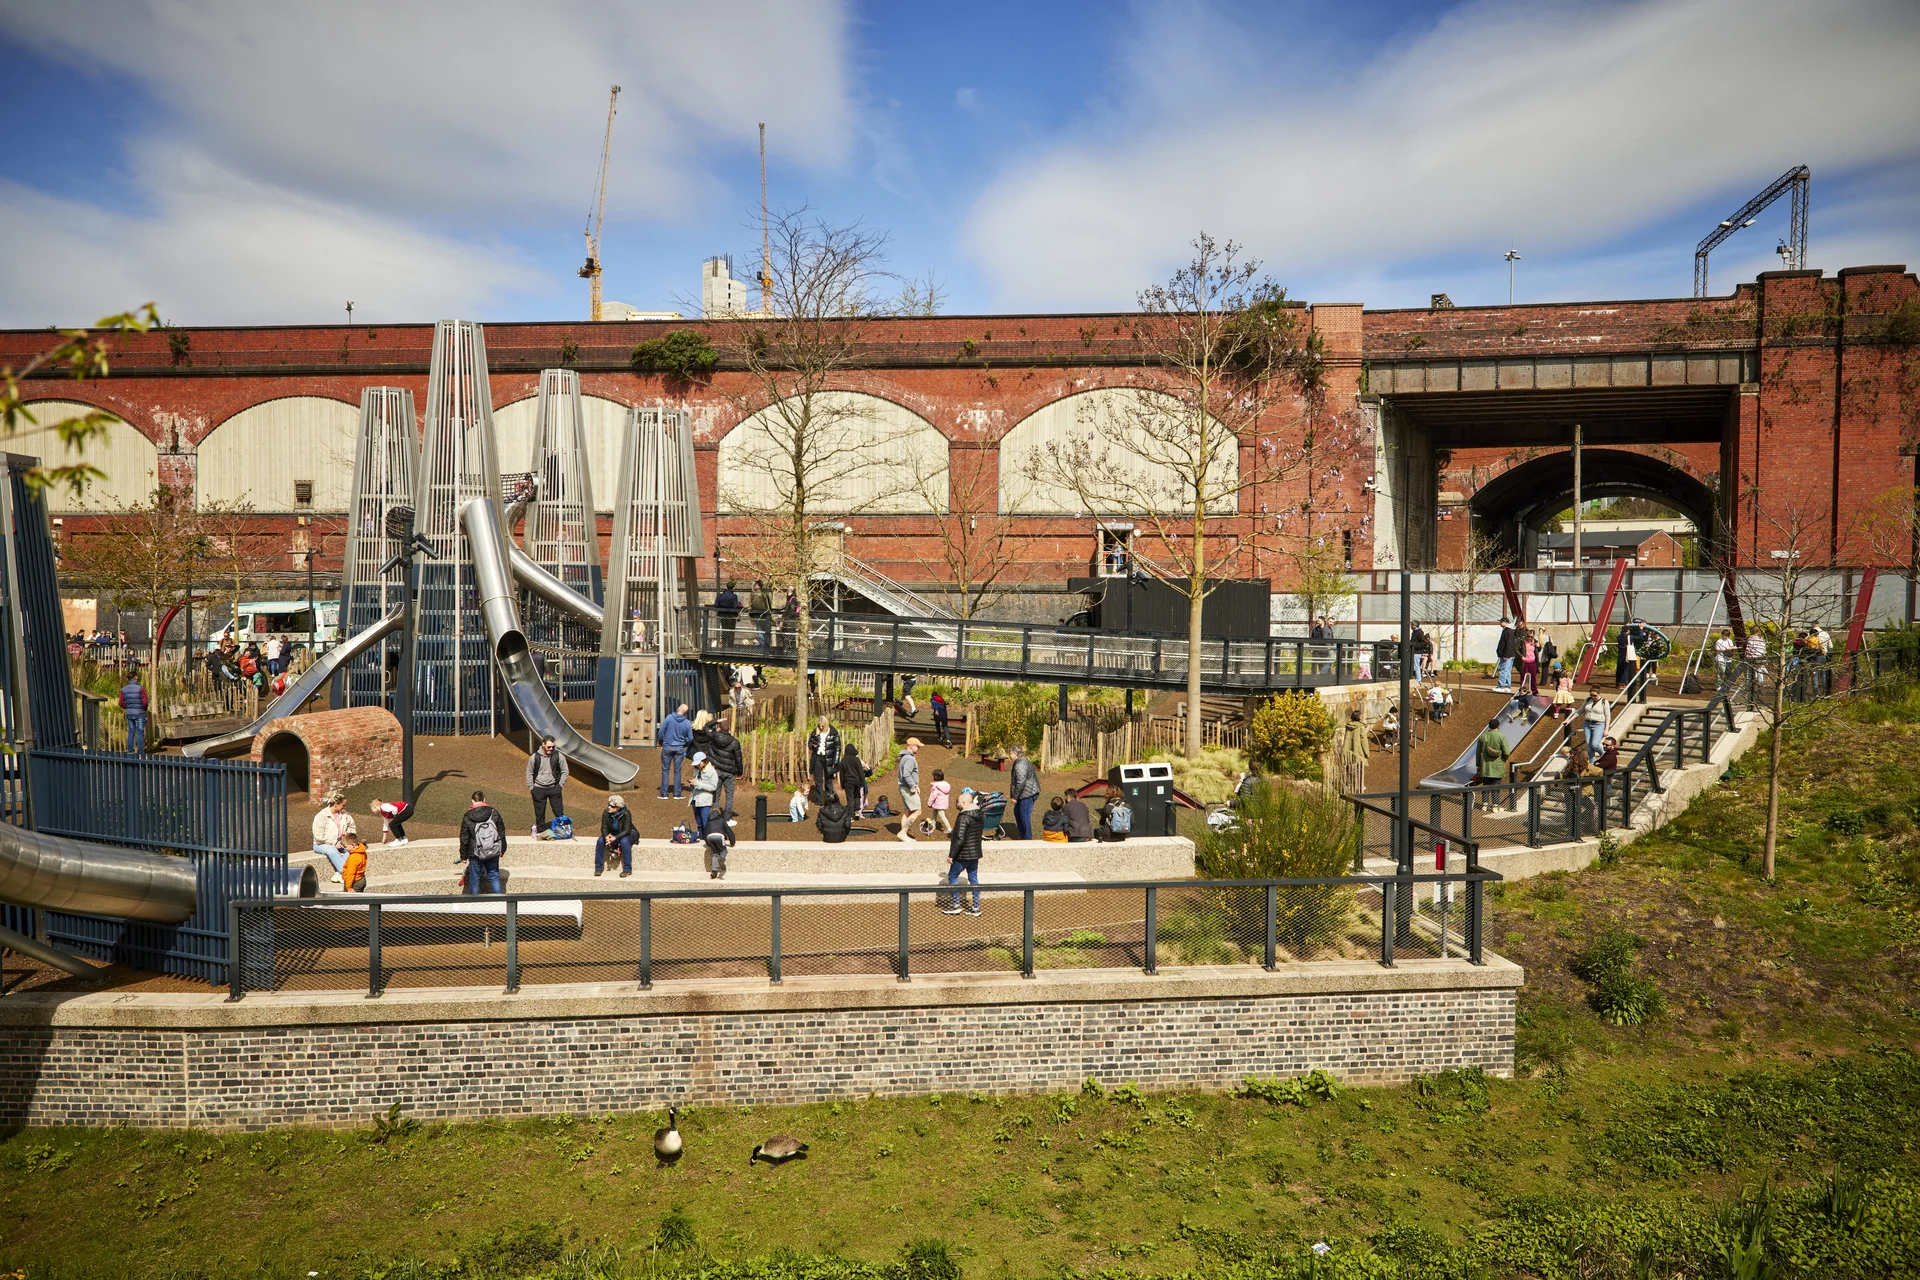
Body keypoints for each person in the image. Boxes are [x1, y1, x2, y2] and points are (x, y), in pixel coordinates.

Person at [943, 788, 984, 916]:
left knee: (952, 876)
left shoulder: (963, 817)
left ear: (964, 803)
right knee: (973, 878)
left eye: (958, 801)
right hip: (975, 853)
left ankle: (956, 904)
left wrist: (951, 855)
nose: (956, 803)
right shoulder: (979, 815)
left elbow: (960, 838)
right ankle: (976, 906)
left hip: (963, 854)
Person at [460, 791, 508, 894]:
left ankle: (476, 905)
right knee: (494, 877)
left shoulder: (468, 816)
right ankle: (500, 903)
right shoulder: (494, 813)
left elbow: (464, 838)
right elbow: (501, 832)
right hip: (493, 849)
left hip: (475, 852)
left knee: (475, 879)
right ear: (484, 800)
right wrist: (502, 848)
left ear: (472, 801)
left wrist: (463, 856)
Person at [525, 735, 569, 839]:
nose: (551, 749)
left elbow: (565, 771)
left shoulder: (558, 756)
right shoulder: (534, 757)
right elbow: (529, 773)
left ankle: (563, 830)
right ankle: (540, 832)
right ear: (543, 744)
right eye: (549, 747)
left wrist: (560, 785)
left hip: (554, 788)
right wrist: (532, 788)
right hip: (538, 788)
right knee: (539, 813)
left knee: (559, 811)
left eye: (553, 747)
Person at [311, 794, 356, 884]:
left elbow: (352, 826)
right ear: (336, 804)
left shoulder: (345, 814)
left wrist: (348, 834)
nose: (344, 807)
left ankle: (339, 874)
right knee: (332, 851)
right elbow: (318, 835)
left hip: (341, 842)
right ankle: (345, 873)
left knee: (352, 849)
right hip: (322, 843)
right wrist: (334, 842)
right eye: (343, 805)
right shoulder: (321, 816)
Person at [707, 717, 743, 819]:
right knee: (729, 796)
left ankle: (714, 817)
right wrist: (739, 772)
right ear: (729, 728)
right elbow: (738, 759)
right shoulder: (735, 742)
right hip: (729, 772)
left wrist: (716, 721)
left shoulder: (714, 737)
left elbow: (706, 727)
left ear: (720, 728)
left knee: (716, 795)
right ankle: (727, 818)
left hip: (716, 769)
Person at [1473, 718, 1511, 813]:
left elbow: (1478, 753)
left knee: (1486, 785)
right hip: (1497, 766)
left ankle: (1484, 805)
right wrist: (1504, 758)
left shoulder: (1483, 737)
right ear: (1498, 726)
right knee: (1496, 786)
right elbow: (1507, 752)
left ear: (1489, 726)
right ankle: (1495, 806)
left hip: (1485, 766)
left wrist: (1478, 765)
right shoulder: (1501, 737)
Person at [658, 702, 693, 799]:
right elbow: (690, 738)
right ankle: (677, 793)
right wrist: (683, 744)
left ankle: (664, 793)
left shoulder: (669, 718)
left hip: (667, 746)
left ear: (678, 709)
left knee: (665, 770)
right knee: (677, 771)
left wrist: (661, 742)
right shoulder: (687, 723)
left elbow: (661, 732)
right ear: (685, 713)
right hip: (679, 748)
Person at [595, 794, 636, 877]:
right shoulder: (606, 812)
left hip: (626, 834)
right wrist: (606, 836)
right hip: (612, 834)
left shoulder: (626, 813)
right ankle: (598, 867)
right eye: (609, 805)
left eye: (612, 806)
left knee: (624, 842)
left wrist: (615, 838)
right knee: (600, 841)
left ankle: (627, 869)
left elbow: (627, 830)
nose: (609, 807)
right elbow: (604, 827)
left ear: (618, 808)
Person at [1335, 706, 1370, 795]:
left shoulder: (1348, 726)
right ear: (1358, 717)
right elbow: (1363, 740)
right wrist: (1367, 752)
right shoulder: (1361, 727)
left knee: (1349, 766)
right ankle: (1359, 785)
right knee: (1358, 767)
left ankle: (1350, 783)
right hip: (1357, 750)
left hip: (1347, 749)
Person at [1009, 744, 1040, 840]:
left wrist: (1015, 796)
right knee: (1017, 812)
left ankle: (1027, 838)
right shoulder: (1020, 762)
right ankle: (1023, 835)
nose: (1009, 755)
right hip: (1025, 792)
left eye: (1010, 753)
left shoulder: (1021, 764)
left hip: (1028, 793)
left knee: (1024, 816)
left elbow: (1021, 782)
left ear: (1016, 754)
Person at [807, 718, 841, 803]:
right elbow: (810, 743)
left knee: (828, 780)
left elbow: (837, 748)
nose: (821, 727)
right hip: (818, 757)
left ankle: (830, 800)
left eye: (822, 725)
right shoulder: (815, 732)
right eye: (819, 725)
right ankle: (819, 800)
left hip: (828, 758)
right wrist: (812, 746)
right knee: (818, 780)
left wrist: (835, 761)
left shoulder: (833, 733)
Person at [895, 737, 923, 842]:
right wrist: (912, 786)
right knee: (917, 811)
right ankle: (903, 832)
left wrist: (915, 785)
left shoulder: (904, 757)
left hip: (904, 787)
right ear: (911, 746)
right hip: (907, 788)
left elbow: (907, 774)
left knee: (907, 811)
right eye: (918, 746)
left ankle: (904, 834)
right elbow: (906, 774)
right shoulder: (910, 759)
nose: (919, 748)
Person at [840, 741, 873, 817]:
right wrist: (862, 782)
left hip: (848, 782)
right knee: (857, 796)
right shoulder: (856, 760)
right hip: (856, 781)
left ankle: (851, 815)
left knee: (850, 798)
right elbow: (860, 772)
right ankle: (857, 811)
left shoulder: (843, 760)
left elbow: (841, 774)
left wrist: (842, 784)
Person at [689, 751, 720, 834]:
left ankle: (707, 840)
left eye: (698, 763)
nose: (697, 765)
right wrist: (692, 784)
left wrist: (698, 784)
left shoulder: (712, 771)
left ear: (704, 761)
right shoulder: (696, 770)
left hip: (705, 801)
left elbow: (713, 787)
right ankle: (701, 838)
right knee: (699, 824)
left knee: (705, 823)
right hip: (695, 799)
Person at [118, 675, 148, 755]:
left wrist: (128, 707)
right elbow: (145, 702)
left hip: (129, 713)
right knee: (140, 732)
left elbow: (120, 702)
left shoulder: (123, 689)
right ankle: (141, 752)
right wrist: (143, 708)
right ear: (136, 678)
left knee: (131, 732)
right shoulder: (141, 688)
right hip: (139, 712)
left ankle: (130, 751)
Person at [702, 807, 732, 879]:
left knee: (715, 853)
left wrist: (708, 843)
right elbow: (729, 832)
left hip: (709, 837)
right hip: (719, 836)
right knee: (723, 850)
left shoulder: (708, 822)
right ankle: (721, 858)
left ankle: (714, 871)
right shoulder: (722, 820)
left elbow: (705, 833)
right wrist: (732, 842)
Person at [715, 580, 742, 648]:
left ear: (726, 587)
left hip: (722, 615)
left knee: (724, 630)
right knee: (731, 631)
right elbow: (735, 606)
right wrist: (739, 605)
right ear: (733, 588)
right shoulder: (734, 596)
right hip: (731, 616)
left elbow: (716, 605)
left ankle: (724, 645)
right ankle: (730, 646)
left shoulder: (720, 596)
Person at [1580, 692, 1608, 757]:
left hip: (1598, 724)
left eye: (1595, 695)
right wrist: (1569, 719)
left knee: (1595, 744)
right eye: (1591, 695)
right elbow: (1580, 710)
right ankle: (1592, 762)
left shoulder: (1604, 701)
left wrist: (1606, 729)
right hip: (1587, 724)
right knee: (1589, 746)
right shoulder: (1588, 700)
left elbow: (1607, 716)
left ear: (1599, 693)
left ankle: (1604, 756)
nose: (1593, 697)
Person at [1495, 619, 1518, 692]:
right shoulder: (1508, 631)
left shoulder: (1508, 631)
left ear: (1505, 622)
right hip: (1509, 655)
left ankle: (1501, 686)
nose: (1500, 623)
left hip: (1507, 655)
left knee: (1503, 670)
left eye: (1501, 622)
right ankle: (1507, 687)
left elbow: (1509, 644)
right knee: (1507, 671)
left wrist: (1506, 655)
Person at [749, 579, 773, 650]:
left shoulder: (752, 594)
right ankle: (767, 648)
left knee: (760, 632)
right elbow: (769, 604)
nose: (754, 586)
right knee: (767, 632)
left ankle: (762, 648)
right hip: (766, 615)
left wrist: (751, 616)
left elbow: (750, 606)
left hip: (757, 615)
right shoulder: (765, 594)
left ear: (757, 585)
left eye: (755, 585)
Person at [926, 768, 952, 833]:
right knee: (934, 813)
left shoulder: (936, 786)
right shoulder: (945, 785)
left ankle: (949, 828)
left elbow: (933, 796)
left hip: (938, 804)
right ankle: (933, 825)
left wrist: (929, 803)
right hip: (942, 803)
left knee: (942, 816)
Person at [1519, 631, 1540, 696]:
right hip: (1525, 662)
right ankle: (1522, 691)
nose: (1529, 638)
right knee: (1523, 678)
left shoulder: (1534, 642)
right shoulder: (1522, 642)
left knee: (1533, 677)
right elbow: (1516, 649)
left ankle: (1534, 691)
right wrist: (1521, 656)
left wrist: (1539, 646)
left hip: (1532, 662)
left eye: (1531, 637)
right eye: (1528, 636)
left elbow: (1538, 650)